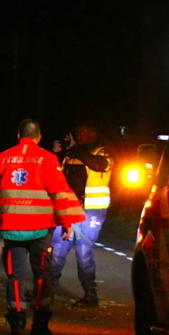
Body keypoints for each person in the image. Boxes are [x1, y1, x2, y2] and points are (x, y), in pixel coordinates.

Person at [0, 119, 84, 335]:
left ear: (19, 136)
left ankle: (16, 322)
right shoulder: (48, 159)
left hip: (11, 226)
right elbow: (59, 192)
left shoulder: (4, 157)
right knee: (41, 275)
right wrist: (67, 222)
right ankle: (40, 325)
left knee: (15, 276)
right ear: (39, 137)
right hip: (40, 228)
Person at [51, 121, 114, 306]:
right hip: (68, 209)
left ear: (94, 133)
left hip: (91, 210)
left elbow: (97, 165)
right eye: (77, 132)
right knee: (57, 250)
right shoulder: (72, 153)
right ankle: (46, 290)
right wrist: (58, 154)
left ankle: (90, 294)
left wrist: (75, 148)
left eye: (83, 132)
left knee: (83, 252)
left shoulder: (102, 152)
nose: (79, 136)